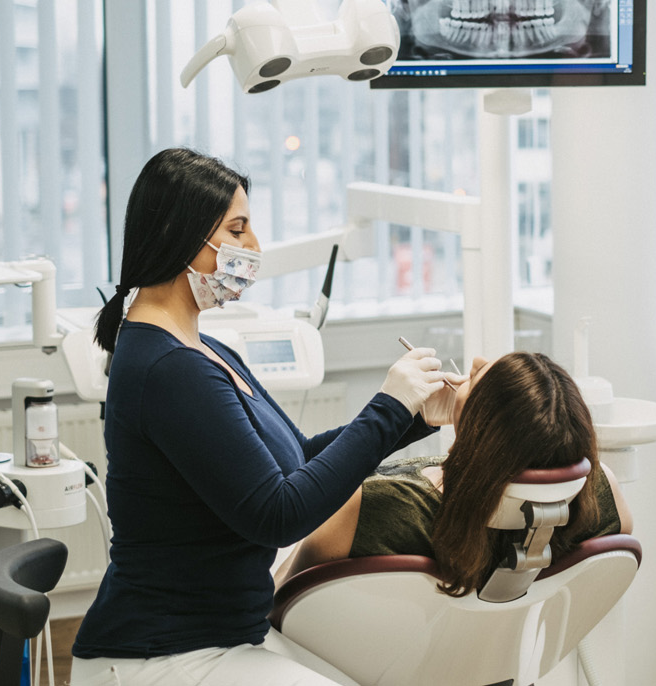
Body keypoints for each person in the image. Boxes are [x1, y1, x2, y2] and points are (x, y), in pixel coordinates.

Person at [70, 147, 462, 686]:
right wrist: (388, 405)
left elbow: (297, 455)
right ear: (180, 235)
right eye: (238, 230)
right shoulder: (166, 367)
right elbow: (278, 513)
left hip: (223, 637)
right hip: (159, 656)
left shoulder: (205, 349)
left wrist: (414, 417)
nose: (254, 248)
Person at [275, 351, 632, 596]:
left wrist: (392, 411)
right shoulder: (598, 495)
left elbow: (282, 597)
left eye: (480, 380)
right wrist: (413, 423)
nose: (476, 362)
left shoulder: (377, 509)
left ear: (483, 433)